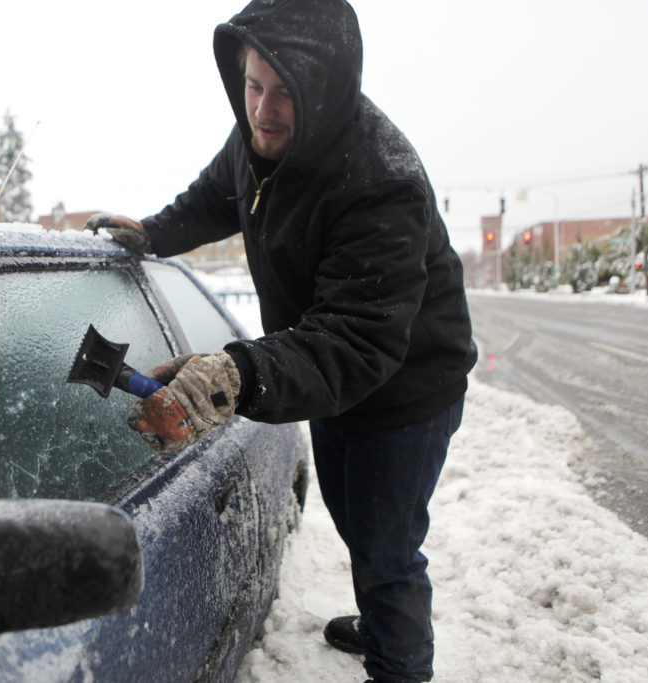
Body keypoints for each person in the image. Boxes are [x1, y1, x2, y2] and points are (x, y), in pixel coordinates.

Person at [84, 1, 476, 681]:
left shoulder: (381, 179)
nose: (262, 109)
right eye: (252, 85)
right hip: (331, 377)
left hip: (407, 389)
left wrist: (230, 376)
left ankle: (399, 662)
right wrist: (151, 234)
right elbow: (214, 198)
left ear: (322, 88)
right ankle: (385, 618)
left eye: (284, 91)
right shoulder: (256, 137)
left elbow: (356, 341)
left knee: (388, 551)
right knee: (359, 525)